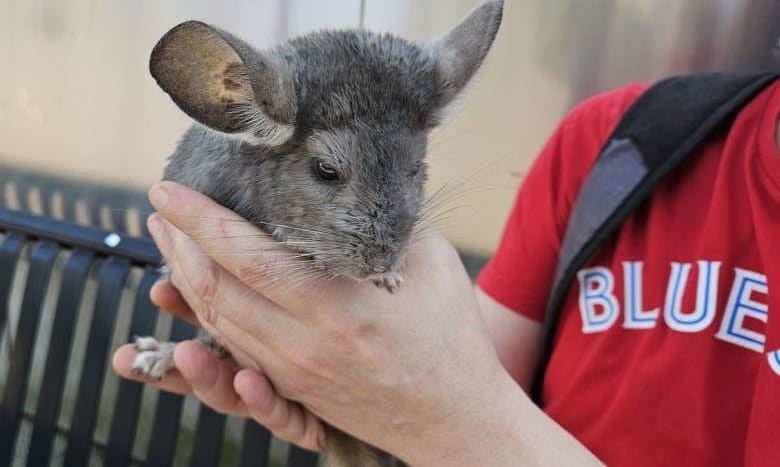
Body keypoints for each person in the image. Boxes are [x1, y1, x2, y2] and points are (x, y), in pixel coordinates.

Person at [113, 77, 780, 465]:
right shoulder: (624, 140)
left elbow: (456, 407)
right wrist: (353, 399)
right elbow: (479, 366)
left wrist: (446, 424)